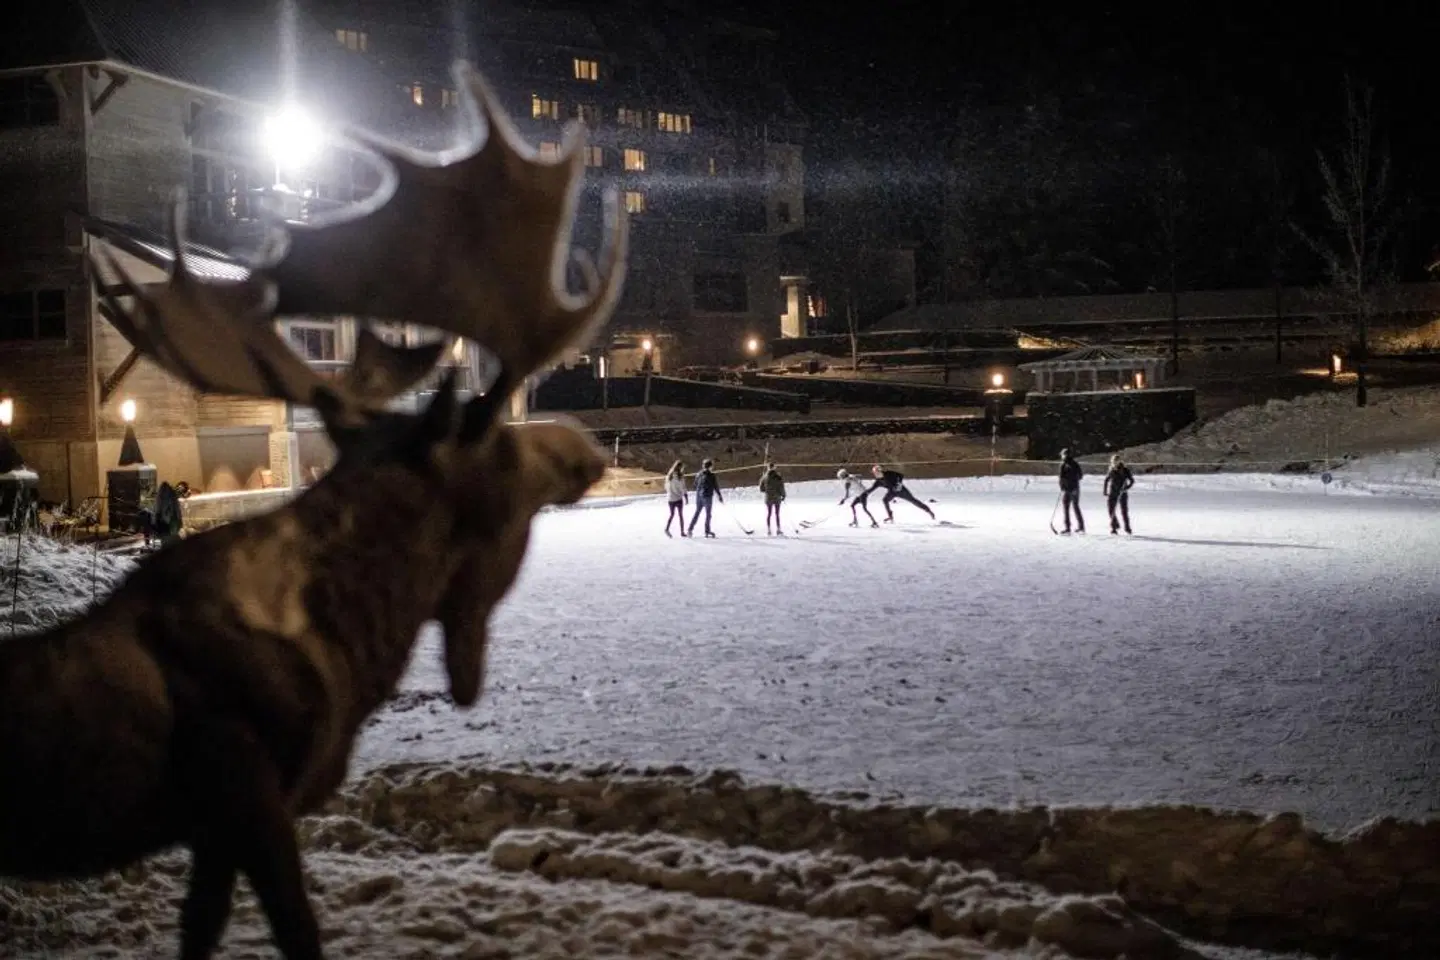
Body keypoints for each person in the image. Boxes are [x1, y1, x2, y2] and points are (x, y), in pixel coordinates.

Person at [866, 464, 935, 522]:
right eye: (874, 473)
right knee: (885, 500)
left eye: (875, 472)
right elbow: (871, 489)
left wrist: (899, 484)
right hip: (892, 492)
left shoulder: (888, 473)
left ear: (879, 471)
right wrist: (864, 494)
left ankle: (929, 511)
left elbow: (900, 475)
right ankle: (890, 516)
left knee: (913, 500)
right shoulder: (878, 481)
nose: (874, 474)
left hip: (901, 490)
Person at [687, 458, 723, 538]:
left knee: (697, 513)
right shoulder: (712, 475)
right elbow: (716, 487)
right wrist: (720, 496)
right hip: (707, 497)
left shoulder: (698, 474)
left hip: (699, 496)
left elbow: (694, 485)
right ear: (710, 466)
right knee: (708, 514)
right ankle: (707, 531)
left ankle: (690, 529)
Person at [1104, 453, 1134, 535]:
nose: (1115, 463)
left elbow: (1132, 480)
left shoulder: (1125, 470)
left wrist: (1126, 487)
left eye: (1116, 461)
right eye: (1113, 461)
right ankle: (1114, 527)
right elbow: (1106, 480)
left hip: (1122, 493)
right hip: (1113, 492)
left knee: (1124, 511)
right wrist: (1105, 491)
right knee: (1111, 510)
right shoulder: (1111, 470)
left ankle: (1127, 528)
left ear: (1120, 461)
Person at [1058, 448, 1085, 534]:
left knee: (1070, 507)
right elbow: (1061, 478)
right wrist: (1062, 486)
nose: (1062, 456)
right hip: (1071, 489)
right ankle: (1079, 527)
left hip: (1072, 489)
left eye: (1063, 455)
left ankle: (1069, 527)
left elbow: (1080, 476)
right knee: (1073, 507)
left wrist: (1065, 485)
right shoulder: (1069, 464)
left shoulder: (1068, 464)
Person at [759, 461, 786, 536]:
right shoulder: (778, 476)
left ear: (768, 467)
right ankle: (778, 529)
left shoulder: (764, 477)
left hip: (768, 498)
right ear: (774, 467)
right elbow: (781, 487)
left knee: (769, 513)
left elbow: (761, 489)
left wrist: (767, 490)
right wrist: (783, 495)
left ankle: (768, 529)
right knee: (777, 514)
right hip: (777, 498)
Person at [664, 460, 688, 537]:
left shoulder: (668, 476)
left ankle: (667, 529)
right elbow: (683, 488)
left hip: (670, 498)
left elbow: (665, 486)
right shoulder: (680, 477)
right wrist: (686, 497)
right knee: (680, 515)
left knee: (671, 514)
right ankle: (682, 532)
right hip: (678, 498)